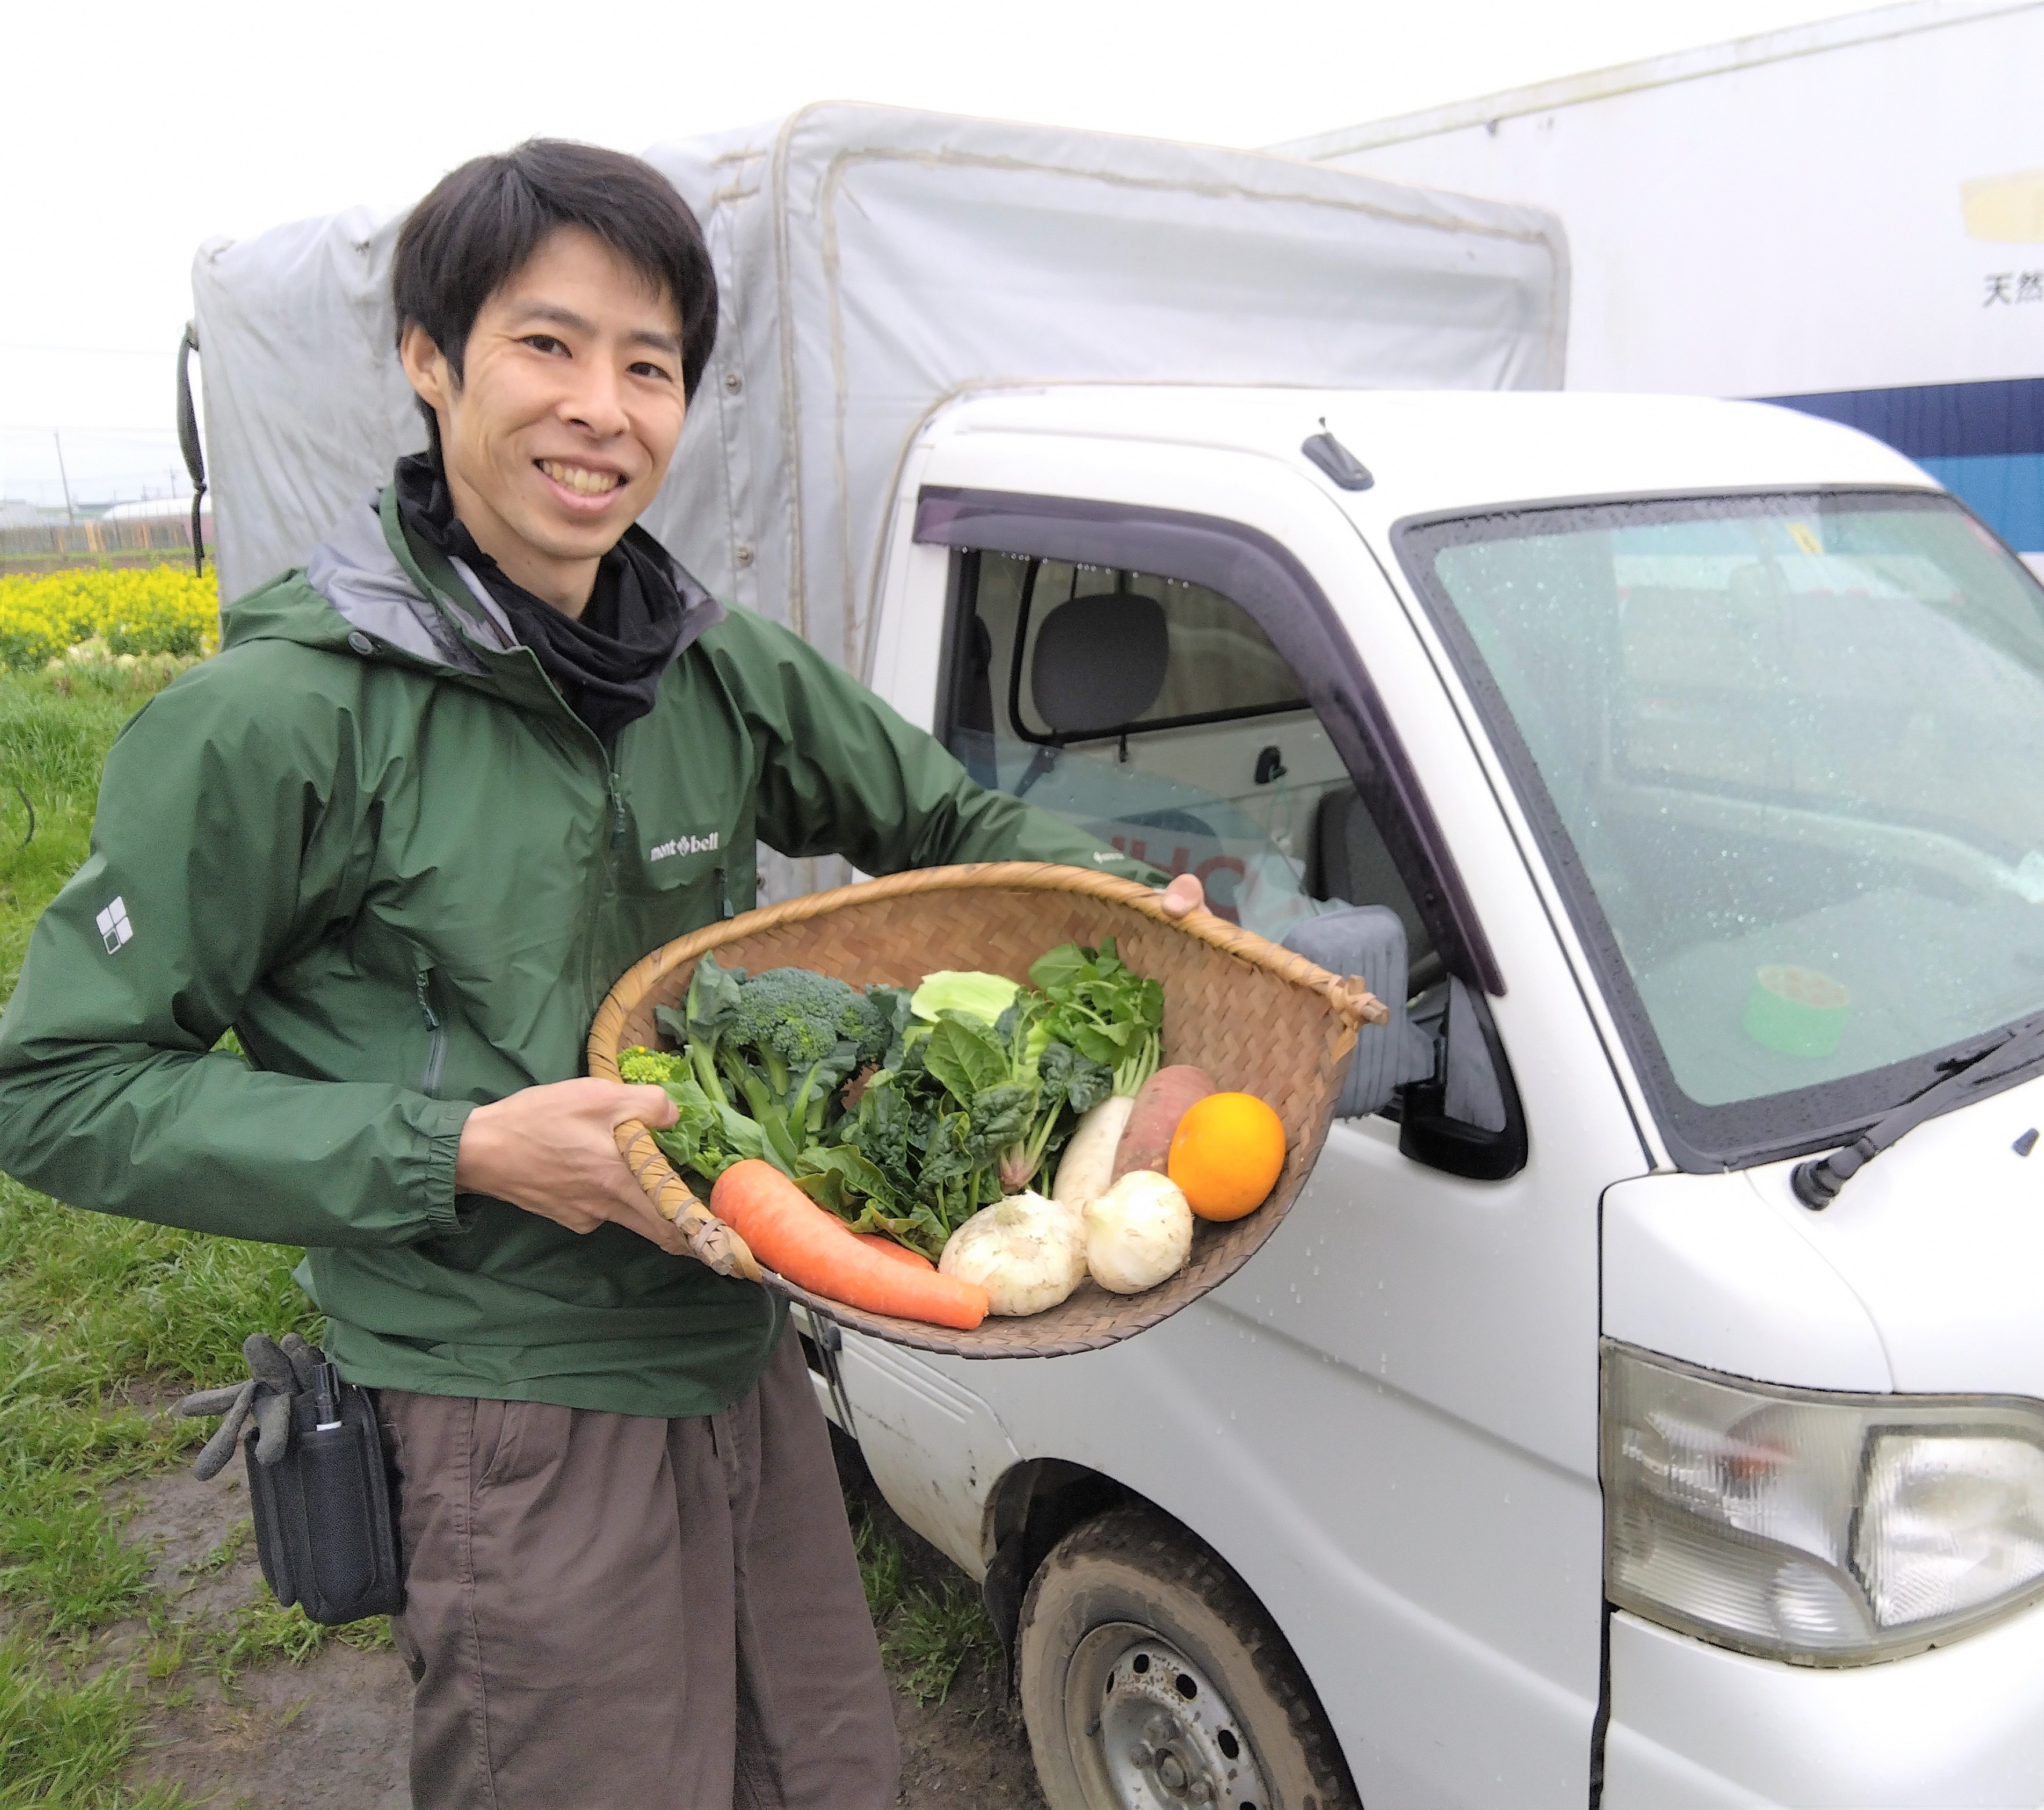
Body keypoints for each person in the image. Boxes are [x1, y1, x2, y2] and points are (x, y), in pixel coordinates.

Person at [0, 139, 1200, 1809]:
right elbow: (58, 1089)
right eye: (546, 347)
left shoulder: (708, 665)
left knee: (825, 1773)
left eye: (651, 365)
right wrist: (467, 1148)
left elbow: (946, 825)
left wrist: (1141, 907)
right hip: (506, 1393)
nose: (602, 408)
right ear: (432, 362)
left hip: (738, 1342)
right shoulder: (283, 719)